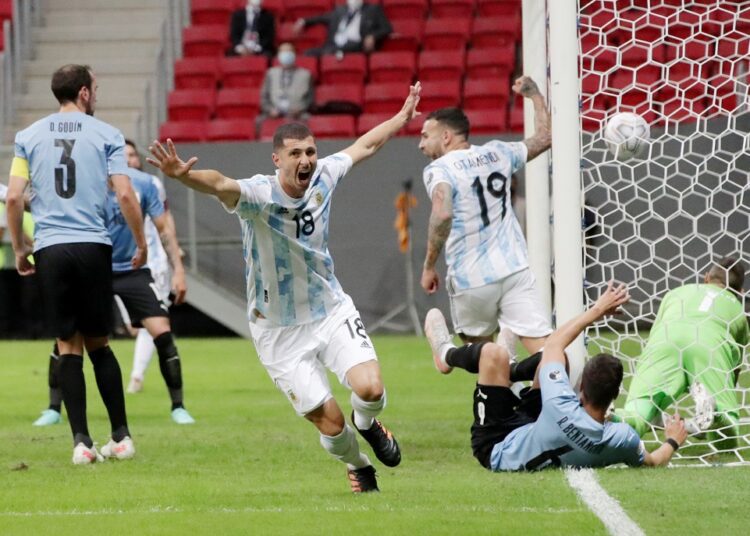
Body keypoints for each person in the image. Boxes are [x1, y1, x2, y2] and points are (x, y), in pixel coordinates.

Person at [147, 82, 422, 493]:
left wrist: (400, 119)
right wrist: (184, 177)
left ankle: (368, 423)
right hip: (277, 330)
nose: (306, 159)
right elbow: (220, 182)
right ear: (277, 159)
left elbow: (364, 147)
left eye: (310, 151)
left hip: (329, 309)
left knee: (371, 388)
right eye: (295, 153)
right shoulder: (259, 194)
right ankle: (359, 464)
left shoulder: (324, 176)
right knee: (328, 420)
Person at [6, 64, 146, 464]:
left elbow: (14, 198)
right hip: (93, 246)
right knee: (100, 343)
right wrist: (139, 243)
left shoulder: (28, 137)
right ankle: (120, 436)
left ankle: (81, 444)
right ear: (84, 93)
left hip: (50, 248)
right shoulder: (107, 135)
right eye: (96, 89)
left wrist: (20, 248)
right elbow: (124, 195)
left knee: (67, 346)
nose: (96, 95)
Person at [424, 282, 688, 471]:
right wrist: (673, 440)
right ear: (614, 395)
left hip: (496, 446)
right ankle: (510, 372)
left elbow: (554, 344)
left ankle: (445, 355)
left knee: (495, 355)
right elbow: (654, 460)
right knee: (554, 362)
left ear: (581, 387)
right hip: (537, 425)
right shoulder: (621, 437)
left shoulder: (560, 403)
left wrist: (597, 310)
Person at [33, 141, 195, 426]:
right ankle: (53, 408)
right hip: (93, 268)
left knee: (162, 330)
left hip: (133, 269)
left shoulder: (144, 184)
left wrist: (178, 269)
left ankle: (178, 406)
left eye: (128, 155)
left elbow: (164, 227)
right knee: (68, 338)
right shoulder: (82, 184)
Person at [418, 76, 552, 368]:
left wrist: (429, 265)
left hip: (471, 278)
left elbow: (442, 213)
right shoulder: (498, 152)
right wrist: (536, 97)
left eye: (425, 136)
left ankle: (445, 354)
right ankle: (517, 379)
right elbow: (545, 138)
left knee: (481, 357)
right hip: (514, 267)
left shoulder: (438, 168)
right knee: (549, 356)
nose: (420, 144)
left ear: (445, 137)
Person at [615, 258, 749, 446]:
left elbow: (655, 335)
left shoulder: (675, 293)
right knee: (728, 439)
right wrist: (722, 396)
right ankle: (717, 414)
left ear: (706, 278)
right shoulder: (738, 311)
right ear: (740, 293)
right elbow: (733, 371)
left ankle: (612, 416)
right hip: (709, 346)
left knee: (637, 414)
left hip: (665, 341)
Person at [122, 139, 188, 397]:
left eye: (132, 154)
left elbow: (165, 220)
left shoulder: (151, 185)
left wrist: (175, 253)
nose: (129, 159)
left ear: (138, 159)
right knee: (134, 328)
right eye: (124, 154)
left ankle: (136, 378)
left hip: (154, 263)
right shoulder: (108, 184)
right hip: (121, 263)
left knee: (154, 324)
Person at [293, 0, 391, 57]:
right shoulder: (340, 10)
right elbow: (322, 17)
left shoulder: (373, 10)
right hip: (334, 45)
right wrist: (304, 21)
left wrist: (372, 36)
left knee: (338, 50)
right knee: (308, 54)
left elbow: (386, 28)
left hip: (357, 45)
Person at [258, 43, 314, 127]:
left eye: (289, 51)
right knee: (259, 122)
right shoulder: (271, 73)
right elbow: (264, 97)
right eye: (283, 52)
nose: (286, 54)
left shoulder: (306, 75)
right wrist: (270, 110)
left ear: (294, 54)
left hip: (298, 114)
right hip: (274, 113)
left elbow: (310, 99)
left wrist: (300, 109)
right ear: (278, 55)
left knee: (310, 121)